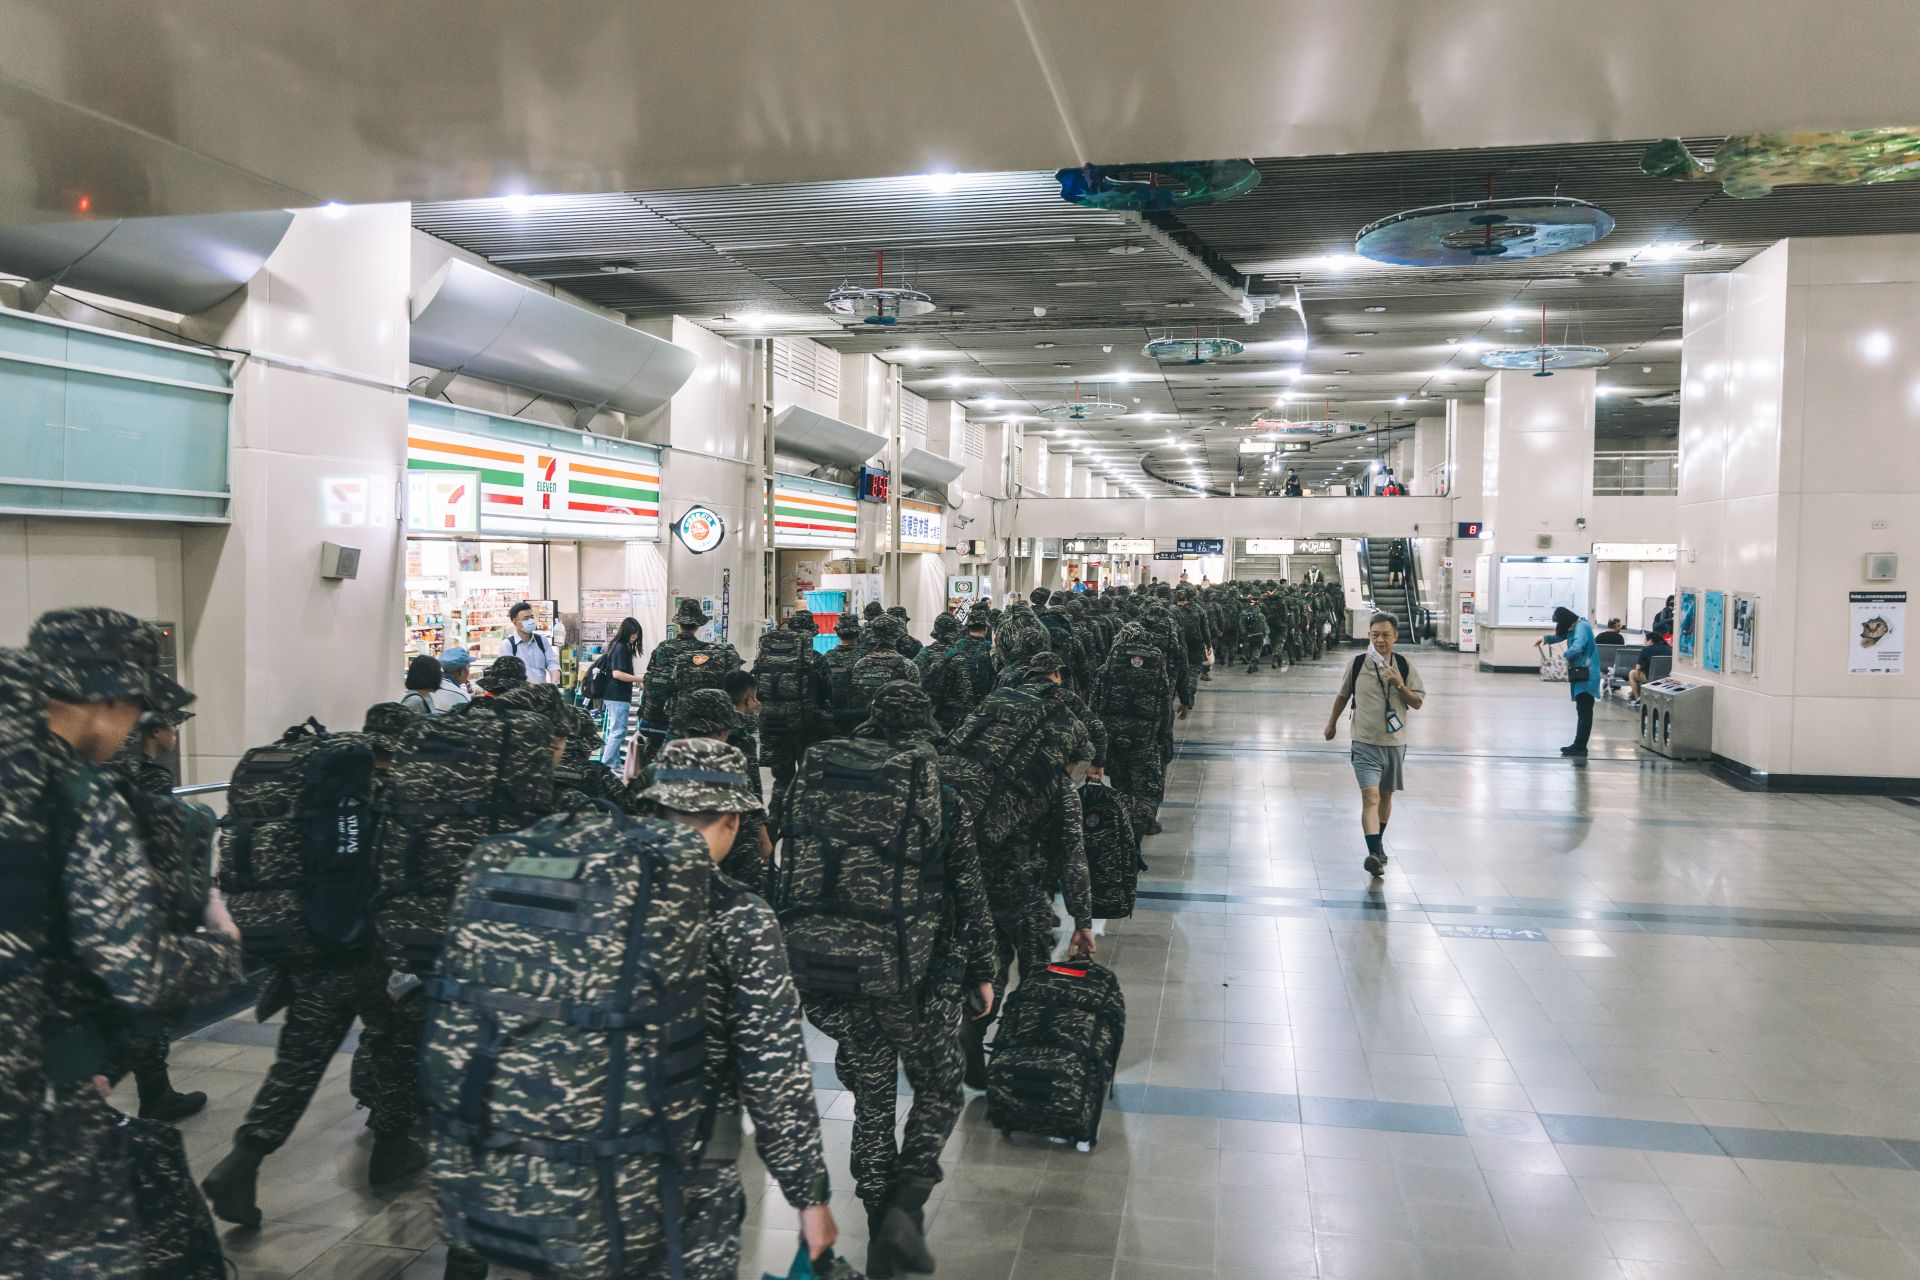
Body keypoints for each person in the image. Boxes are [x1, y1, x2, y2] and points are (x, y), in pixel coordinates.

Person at [2, 609, 245, 1277]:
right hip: (34, 1102)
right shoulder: (75, 795)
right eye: (138, 707)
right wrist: (222, 947)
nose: (137, 726)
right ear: (109, 699)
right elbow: (133, 968)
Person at [782, 683, 995, 1277]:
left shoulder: (818, 779)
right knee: (939, 1085)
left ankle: (879, 1228)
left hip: (828, 971)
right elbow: (969, 890)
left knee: (871, 1102)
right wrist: (983, 970)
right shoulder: (937, 791)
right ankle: (905, 1205)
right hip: (909, 976)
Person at [634, 739, 838, 1278]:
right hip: (685, 1174)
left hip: (564, 1169)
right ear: (732, 819)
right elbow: (775, 1075)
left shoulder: (589, 890)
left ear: (654, 809)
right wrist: (809, 1198)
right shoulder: (737, 916)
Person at [1324, 613, 1425, 878]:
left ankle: (1377, 845)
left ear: (1395, 637)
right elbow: (1343, 696)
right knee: (1370, 797)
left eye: (1385, 635)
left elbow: (1417, 703)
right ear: (1369, 636)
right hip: (1364, 742)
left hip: (1394, 744)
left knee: (1386, 796)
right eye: (1375, 635)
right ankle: (1372, 853)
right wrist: (1332, 724)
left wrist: (1399, 684)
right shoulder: (1357, 664)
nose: (1380, 640)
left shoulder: (1404, 666)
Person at [1539, 606, 1601, 757]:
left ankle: (1580, 746)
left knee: (1584, 711)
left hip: (1586, 674)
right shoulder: (1575, 627)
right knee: (1583, 710)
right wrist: (1545, 639)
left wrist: (1564, 657)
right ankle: (1579, 744)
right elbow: (1561, 637)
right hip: (1581, 673)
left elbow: (1578, 646)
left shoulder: (1582, 626)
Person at [593, 616, 643, 767]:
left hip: (616, 696)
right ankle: (606, 765)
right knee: (618, 732)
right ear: (626, 632)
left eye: (637, 635)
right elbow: (617, 674)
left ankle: (613, 764)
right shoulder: (620, 647)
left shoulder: (619, 646)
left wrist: (636, 680)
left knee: (616, 731)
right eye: (633, 634)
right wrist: (640, 679)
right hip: (617, 696)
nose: (635, 638)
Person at [502, 600, 556, 684]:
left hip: (542, 691)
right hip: (520, 691)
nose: (531, 621)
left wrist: (554, 682)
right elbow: (510, 674)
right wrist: (534, 686)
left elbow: (552, 663)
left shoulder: (541, 641)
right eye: (526, 618)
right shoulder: (508, 645)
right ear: (515, 622)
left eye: (531, 617)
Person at [1628, 630, 1674, 704]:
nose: (1644, 642)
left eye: (1645, 640)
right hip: (1667, 679)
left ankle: (1638, 698)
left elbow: (1638, 668)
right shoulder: (1670, 649)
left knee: (1632, 673)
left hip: (1651, 678)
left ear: (1650, 640)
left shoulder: (1646, 649)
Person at [433, 648, 474, 712]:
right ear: (462, 671)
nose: (468, 671)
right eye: (468, 667)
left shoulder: (431, 688)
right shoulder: (461, 696)